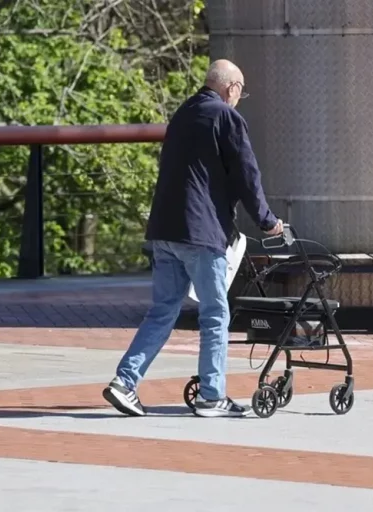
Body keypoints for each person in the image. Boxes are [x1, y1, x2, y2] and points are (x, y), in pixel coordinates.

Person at [103, 59, 283, 418]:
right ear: (231, 88)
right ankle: (212, 396)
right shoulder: (227, 118)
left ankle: (125, 383)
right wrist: (267, 221)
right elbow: (247, 174)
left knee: (162, 311)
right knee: (215, 313)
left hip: (165, 231)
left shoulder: (184, 113)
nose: (240, 99)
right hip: (201, 233)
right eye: (240, 92)